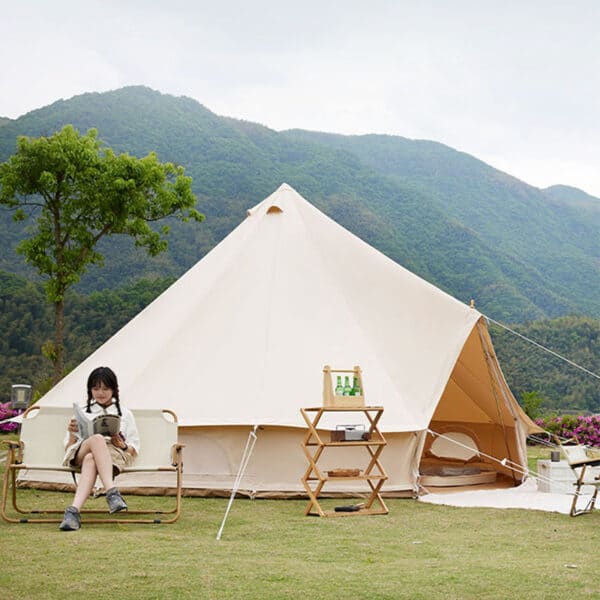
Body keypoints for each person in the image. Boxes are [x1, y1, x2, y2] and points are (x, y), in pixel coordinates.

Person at [59, 366, 140, 531]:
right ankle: (112, 493)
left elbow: (134, 446)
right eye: (95, 388)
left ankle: (73, 512)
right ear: (90, 390)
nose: (100, 393)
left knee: (91, 459)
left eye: (105, 388)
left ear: (114, 390)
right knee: (95, 439)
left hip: (111, 455)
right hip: (81, 452)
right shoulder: (82, 411)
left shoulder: (125, 413)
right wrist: (72, 433)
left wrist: (121, 444)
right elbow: (68, 446)